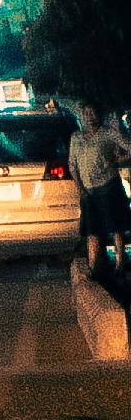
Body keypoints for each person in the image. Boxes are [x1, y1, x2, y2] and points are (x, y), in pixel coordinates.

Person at [68, 101, 128, 287]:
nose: (89, 116)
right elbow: (72, 164)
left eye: (92, 112)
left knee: (115, 225)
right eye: (86, 113)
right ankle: (95, 267)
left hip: (108, 185)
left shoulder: (108, 133)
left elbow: (128, 147)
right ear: (82, 116)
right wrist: (80, 189)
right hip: (88, 189)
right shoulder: (77, 137)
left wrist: (118, 160)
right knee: (92, 229)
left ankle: (120, 263)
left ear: (98, 115)